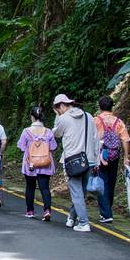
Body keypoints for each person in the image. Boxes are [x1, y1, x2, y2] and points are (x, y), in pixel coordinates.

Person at [53, 93, 99, 232]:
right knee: (81, 192)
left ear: (61, 105)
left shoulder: (63, 119)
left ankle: (84, 223)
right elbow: (96, 138)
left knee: (77, 193)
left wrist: (57, 117)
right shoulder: (89, 116)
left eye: (57, 109)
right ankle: (72, 218)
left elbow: (56, 134)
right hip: (89, 159)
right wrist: (96, 159)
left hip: (74, 161)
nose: (57, 111)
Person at [17, 106, 57, 220]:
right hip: (45, 163)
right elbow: (53, 147)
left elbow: (21, 147)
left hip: (30, 164)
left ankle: (30, 211)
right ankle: (47, 210)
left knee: (30, 187)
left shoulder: (26, 131)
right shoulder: (48, 131)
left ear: (32, 117)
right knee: (45, 188)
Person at [94, 95, 130, 223]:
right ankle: (107, 210)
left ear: (100, 107)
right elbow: (125, 139)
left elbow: (93, 139)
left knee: (101, 183)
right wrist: (126, 157)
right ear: (112, 106)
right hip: (114, 155)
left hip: (100, 156)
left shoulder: (96, 120)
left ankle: (106, 213)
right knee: (111, 182)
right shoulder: (118, 122)